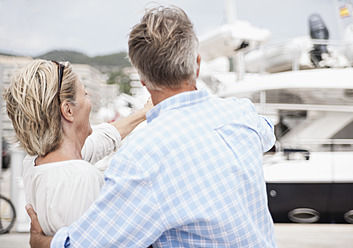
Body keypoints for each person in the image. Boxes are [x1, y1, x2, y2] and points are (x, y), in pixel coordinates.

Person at [26, 5, 277, 247]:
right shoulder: (242, 115)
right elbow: (268, 132)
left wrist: (41, 243)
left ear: (142, 79)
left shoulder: (142, 157)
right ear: (197, 64)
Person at [4, 59, 152, 235]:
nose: (90, 101)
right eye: (85, 94)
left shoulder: (35, 162)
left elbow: (103, 137)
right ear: (68, 110)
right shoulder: (82, 178)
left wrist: (144, 112)